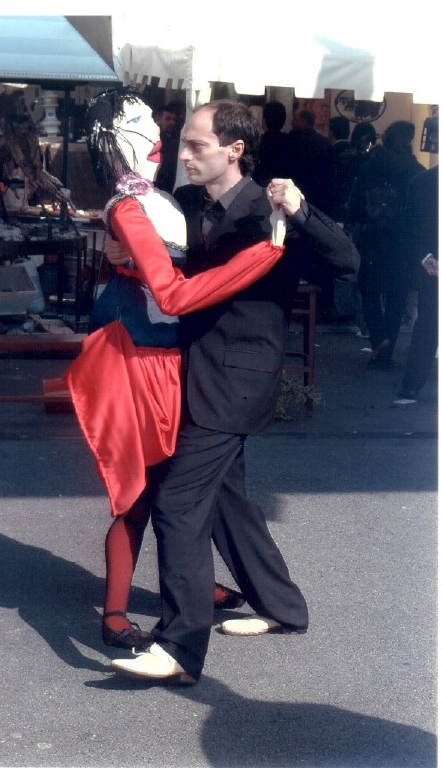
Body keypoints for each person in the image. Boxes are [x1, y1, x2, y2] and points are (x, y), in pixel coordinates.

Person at [110, 98, 360, 684]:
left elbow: (348, 262)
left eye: (197, 145)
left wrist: (301, 210)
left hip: (238, 381)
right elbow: (176, 275)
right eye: (184, 144)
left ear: (235, 150)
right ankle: (282, 607)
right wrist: (127, 255)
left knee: (177, 505)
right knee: (228, 503)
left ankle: (179, 647)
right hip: (192, 373)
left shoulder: (267, 209)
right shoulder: (189, 203)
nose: (184, 154)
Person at [61, 87, 287, 652]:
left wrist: (120, 254)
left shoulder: (165, 199)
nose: (158, 135)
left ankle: (192, 588)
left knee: (180, 481)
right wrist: (264, 253)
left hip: (175, 358)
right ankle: (116, 613)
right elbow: (172, 292)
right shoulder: (131, 205)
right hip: (136, 358)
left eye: (156, 123)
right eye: (140, 122)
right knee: (142, 489)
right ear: (112, 138)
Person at [346, 120, 425, 367]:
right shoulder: (416, 170)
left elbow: (356, 202)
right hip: (403, 241)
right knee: (396, 295)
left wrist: (356, 224)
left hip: (373, 238)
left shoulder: (371, 165)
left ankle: (378, 339)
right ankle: (387, 346)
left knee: (369, 290)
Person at [397, 165, 438, 400]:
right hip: (433, 265)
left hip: (433, 265)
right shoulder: (422, 182)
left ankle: (412, 384)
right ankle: (412, 382)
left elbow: (408, 228)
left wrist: (424, 256)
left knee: (428, 324)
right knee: (429, 324)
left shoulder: (422, 182)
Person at [252, 100, 290, 186]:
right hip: (283, 186)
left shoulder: (258, 141)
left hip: (261, 186)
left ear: (265, 120)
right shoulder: (290, 141)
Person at [153, 104, 180, 193]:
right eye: (168, 119)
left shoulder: (176, 140)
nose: (172, 123)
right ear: (158, 120)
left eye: (174, 120)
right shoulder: (152, 140)